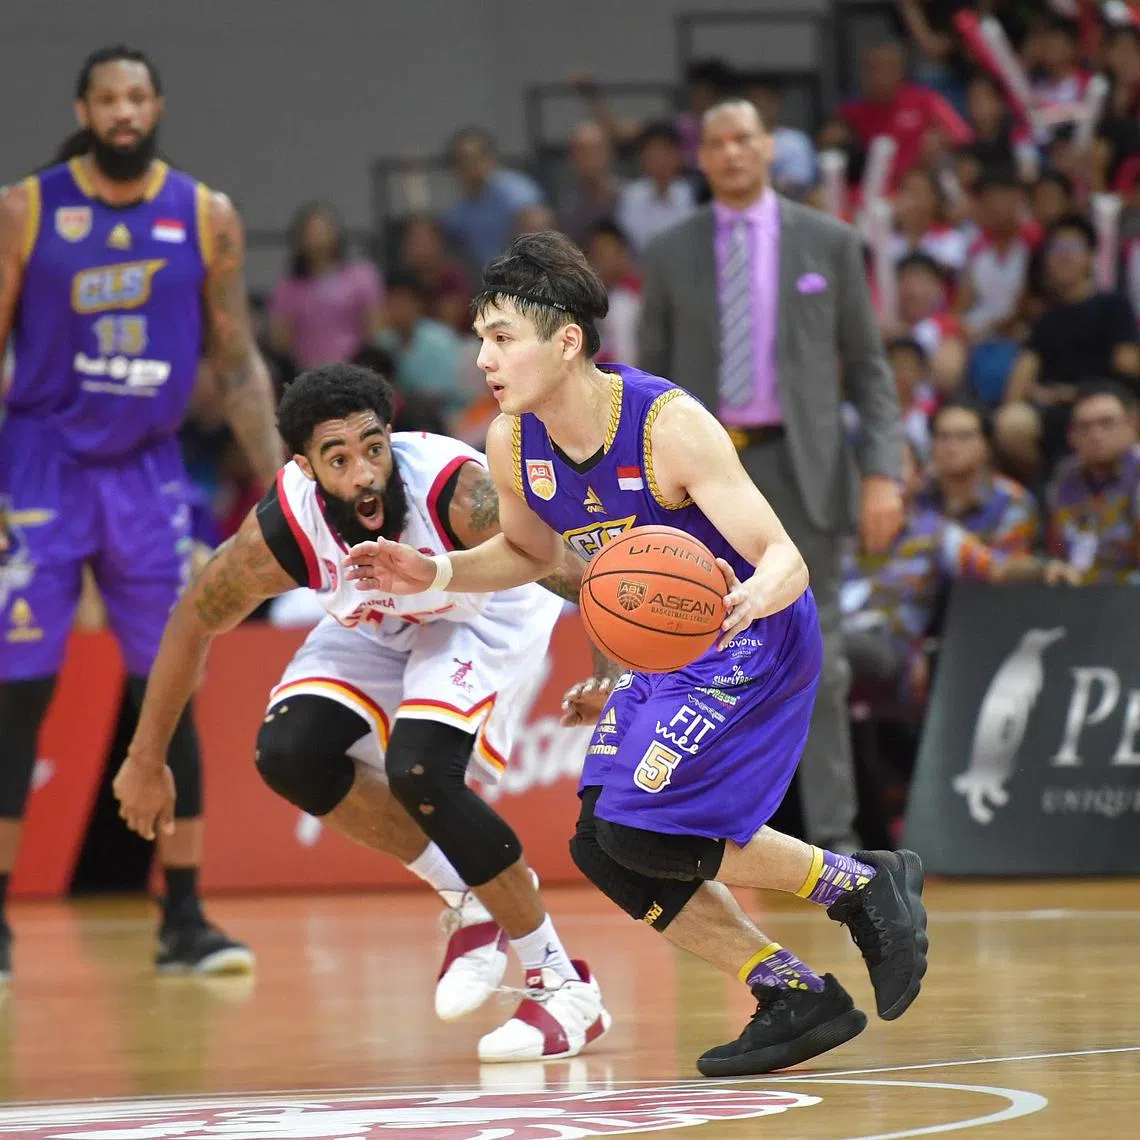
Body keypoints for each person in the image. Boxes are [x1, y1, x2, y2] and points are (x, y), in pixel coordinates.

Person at [342, 231, 929, 1077]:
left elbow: (783, 557)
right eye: (480, 337)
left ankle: (859, 886)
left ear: (566, 341)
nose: (484, 358)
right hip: (666, 657)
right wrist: (431, 568)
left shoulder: (668, 426)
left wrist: (745, 603)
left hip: (750, 637)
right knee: (600, 847)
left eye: (502, 336)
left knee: (648, 831)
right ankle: (794, 991)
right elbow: (536, 555)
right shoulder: (513, 441)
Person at [113, 363, 610, 1063]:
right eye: (338, 459)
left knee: (421, 770)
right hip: (384, 613)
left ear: (391, 439)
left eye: (372, 449)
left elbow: (579, 567)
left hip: (483, 607)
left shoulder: (456, 495)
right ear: (306, 467)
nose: (364, 475)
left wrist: (610, 669)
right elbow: (192, 620)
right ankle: (470, 895)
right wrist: (144, 757)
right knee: (290, 753)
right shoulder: (285, 528)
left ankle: (565, 986)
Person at [0, 45, 282, 979]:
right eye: (107, 98)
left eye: (137, 97)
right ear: (84, 106)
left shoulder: (206, 215)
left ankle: (187, 920)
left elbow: (236, 360)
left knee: (168, 682)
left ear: (157, 106)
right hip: (38, 464)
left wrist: (284, 482)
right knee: (18, 694)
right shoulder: (27, 206)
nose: (123, 112)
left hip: (148, 472)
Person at [637, 99, 905, 856]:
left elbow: (871, 371)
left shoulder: (830, 242)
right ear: (702, 156)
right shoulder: (668, 252)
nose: (730, 154)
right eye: (716, 142)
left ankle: (839, 846)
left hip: (805, 465)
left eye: (743, 140)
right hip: (702, 472)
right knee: (696, 653)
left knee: (823, 657)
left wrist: (882, 470)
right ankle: (701, 836)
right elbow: (641, 381)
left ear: (768, 148)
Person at [268, 201, 385, 369]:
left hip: (357, 369)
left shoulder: (362, 275)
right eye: (310, 231)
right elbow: (281, 340)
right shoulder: (287, 287)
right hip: (306, 372)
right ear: (299, 239)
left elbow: (376, 327)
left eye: (323, 229)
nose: (317, 237)